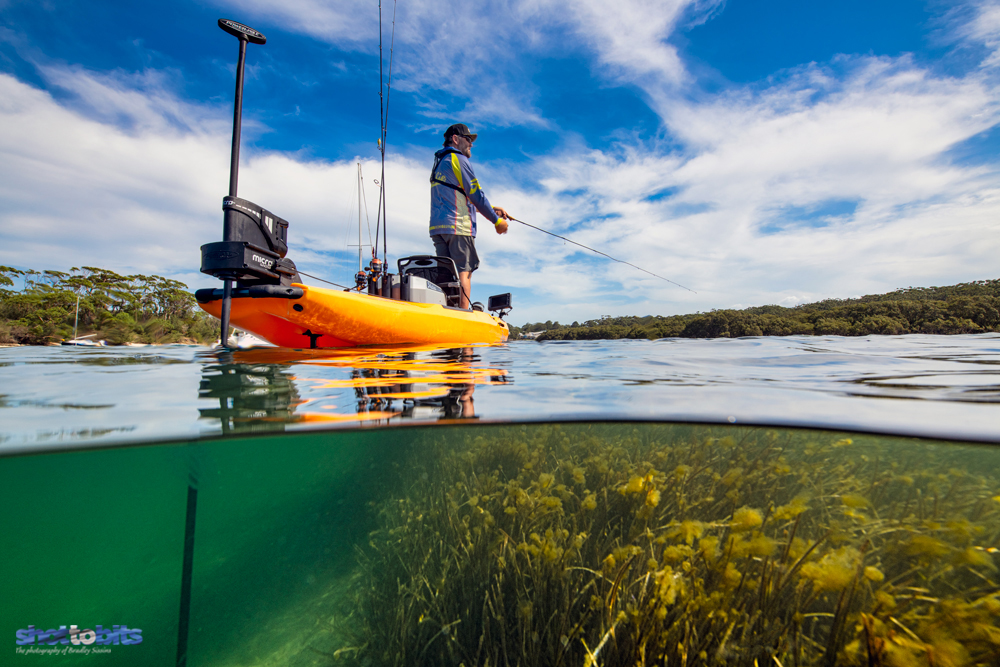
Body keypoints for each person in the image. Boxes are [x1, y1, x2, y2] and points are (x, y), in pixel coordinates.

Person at [429, 123, 509, 310]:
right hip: (459, 227)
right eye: (468, 139)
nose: (471, 144)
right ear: (455, 139)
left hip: (438, 229)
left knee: (446, 275)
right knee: (465, 273)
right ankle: (463, 314)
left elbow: (458, 197)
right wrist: (497, 221)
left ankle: (447, 311)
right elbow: (476, 194)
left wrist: (491, 208)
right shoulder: (458, 159)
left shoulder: (439, 163)